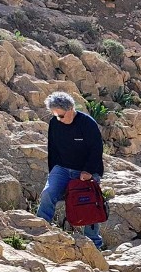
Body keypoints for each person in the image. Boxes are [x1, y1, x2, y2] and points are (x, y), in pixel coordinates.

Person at [36, 91, 105, 250]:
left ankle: (94, 244)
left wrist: (88, 171)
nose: (58, 119)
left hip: (87, 171)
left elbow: (96, 150)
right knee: (48, 193)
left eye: (61, 116)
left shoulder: (87, 124)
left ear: (71, 109)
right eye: (55, 116)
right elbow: (52, 149)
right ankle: (40, 228)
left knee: (90, 204)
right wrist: (53, 171)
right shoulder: (55, 123)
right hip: (62, 169)